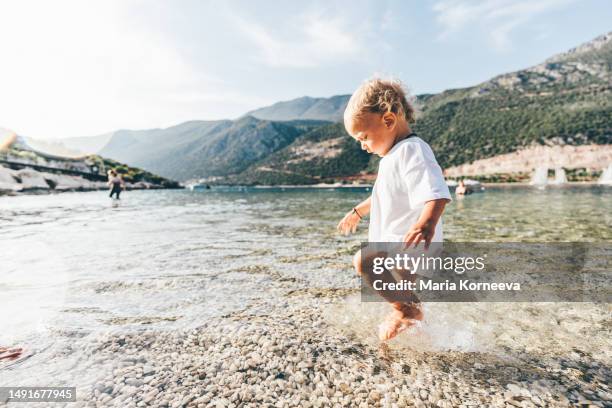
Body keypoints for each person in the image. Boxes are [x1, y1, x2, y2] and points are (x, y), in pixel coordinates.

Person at [337, 78, 451, 341]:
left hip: (411, 240)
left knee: (364, 261)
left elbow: (436, 192)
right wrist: (358, 211)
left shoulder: (413, 150)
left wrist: (426, 224)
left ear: (388, 121)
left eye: (363, 137)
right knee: (398, 287)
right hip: (399, 239)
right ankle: (410, 320)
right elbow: (381, 195)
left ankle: (407, 311)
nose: (362, 145)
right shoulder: (393, 156)